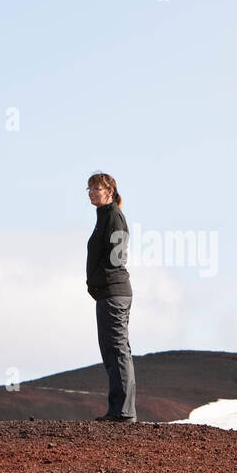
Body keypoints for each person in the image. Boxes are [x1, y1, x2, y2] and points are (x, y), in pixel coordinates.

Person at [86, 172, 137, 422]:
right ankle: (119, 409)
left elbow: (118, 255)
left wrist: (101, 278)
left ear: (110, 191)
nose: (92, 191)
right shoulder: (103, 217)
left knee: (117, 350)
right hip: (107, 293)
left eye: (97, 187)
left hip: (114, 292)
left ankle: (123, 412)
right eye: (89, 188)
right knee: (112, 349)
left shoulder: (114, 217)